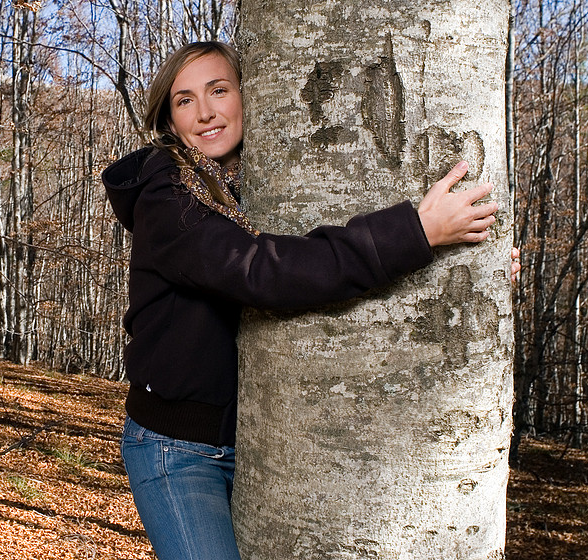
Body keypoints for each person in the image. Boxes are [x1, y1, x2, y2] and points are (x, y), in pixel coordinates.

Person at [101, 41, 519, 560]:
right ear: (169, 117)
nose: (205, 111)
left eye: (219, 90)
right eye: (185, 100)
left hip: (264, 442)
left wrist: (477, 275)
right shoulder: (167, 199)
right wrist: (415, 230)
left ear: (249, 97)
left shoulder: (258, 180)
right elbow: (265, 271)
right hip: (178, 449)